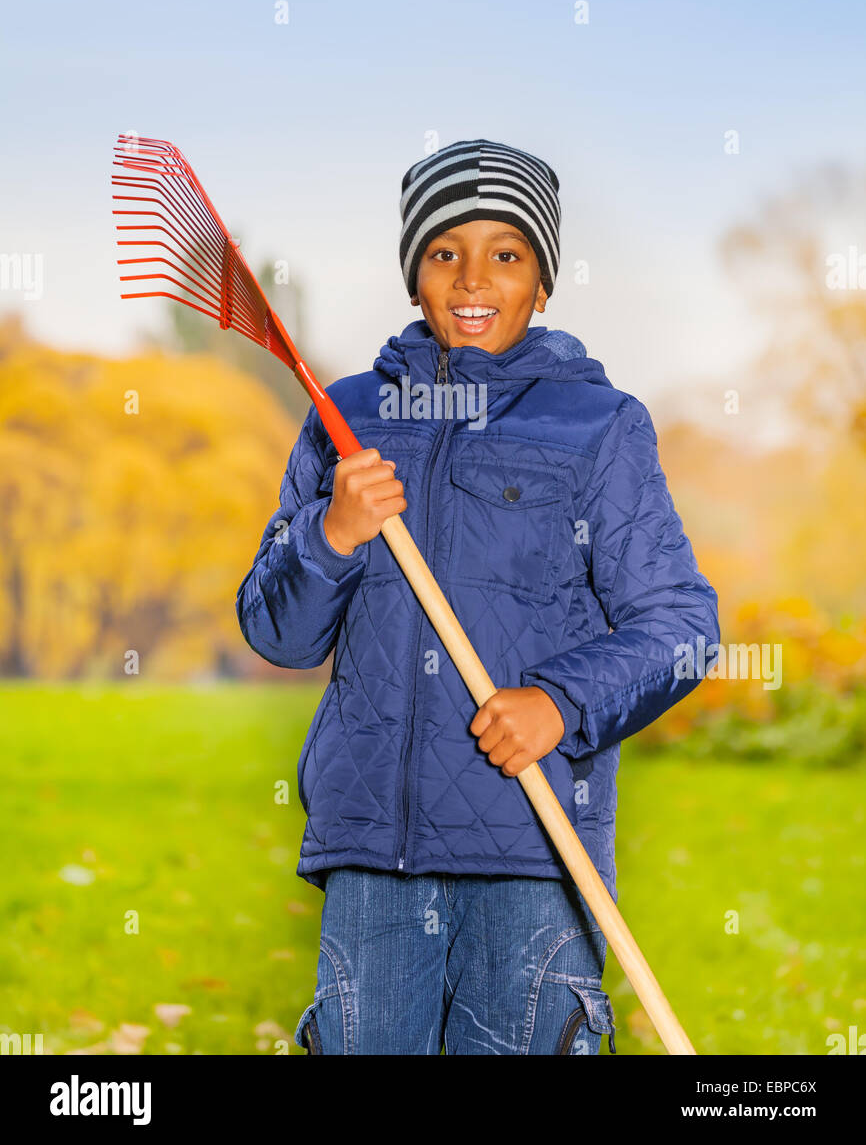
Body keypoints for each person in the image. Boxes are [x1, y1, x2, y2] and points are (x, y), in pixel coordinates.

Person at [236, 138, 720, 1055]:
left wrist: (561, 702)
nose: (472, 279)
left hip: (531, 850)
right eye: (444, 251)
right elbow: (278, 633)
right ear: (413, 272)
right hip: (373, 855)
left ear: (543, 282)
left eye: (506, 254)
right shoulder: (348, 418)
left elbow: (682, 626)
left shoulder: (600, 427)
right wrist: (330, 535)